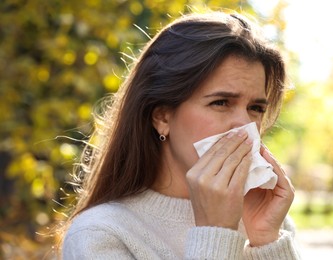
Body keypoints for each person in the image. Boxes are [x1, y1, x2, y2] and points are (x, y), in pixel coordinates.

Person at [60, 10, 301, 259]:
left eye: (255, 108)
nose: (244, 124)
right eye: (220, 102)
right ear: (162, 117)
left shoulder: (268, 222)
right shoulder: (100, 234)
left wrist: (265, 240)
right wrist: (215, 232)